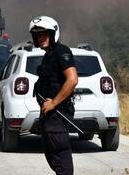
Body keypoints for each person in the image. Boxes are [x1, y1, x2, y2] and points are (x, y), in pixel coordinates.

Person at [29, 16, 78, 175]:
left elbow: (72, 80)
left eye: (44, 34)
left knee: (60, 155)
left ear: (53, 34)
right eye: (38, 35)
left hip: (58, 114)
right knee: (52, 155)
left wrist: (54, 103)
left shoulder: (61, 51)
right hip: (49, 115)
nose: (41, 38)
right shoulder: (48, 56)